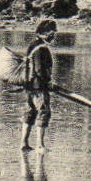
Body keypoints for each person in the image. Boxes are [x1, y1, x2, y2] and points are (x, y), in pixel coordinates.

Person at [20, 19, 57, 152]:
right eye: (52, 33)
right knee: (43, 112)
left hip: (29, 86)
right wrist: (48, 82)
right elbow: (40, 69)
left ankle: (24, 143)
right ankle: (40, 145)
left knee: (30, 112)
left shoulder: (32, 45)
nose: (53, 36)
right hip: (39, 86)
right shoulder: (41, 48)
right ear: (45, 32)